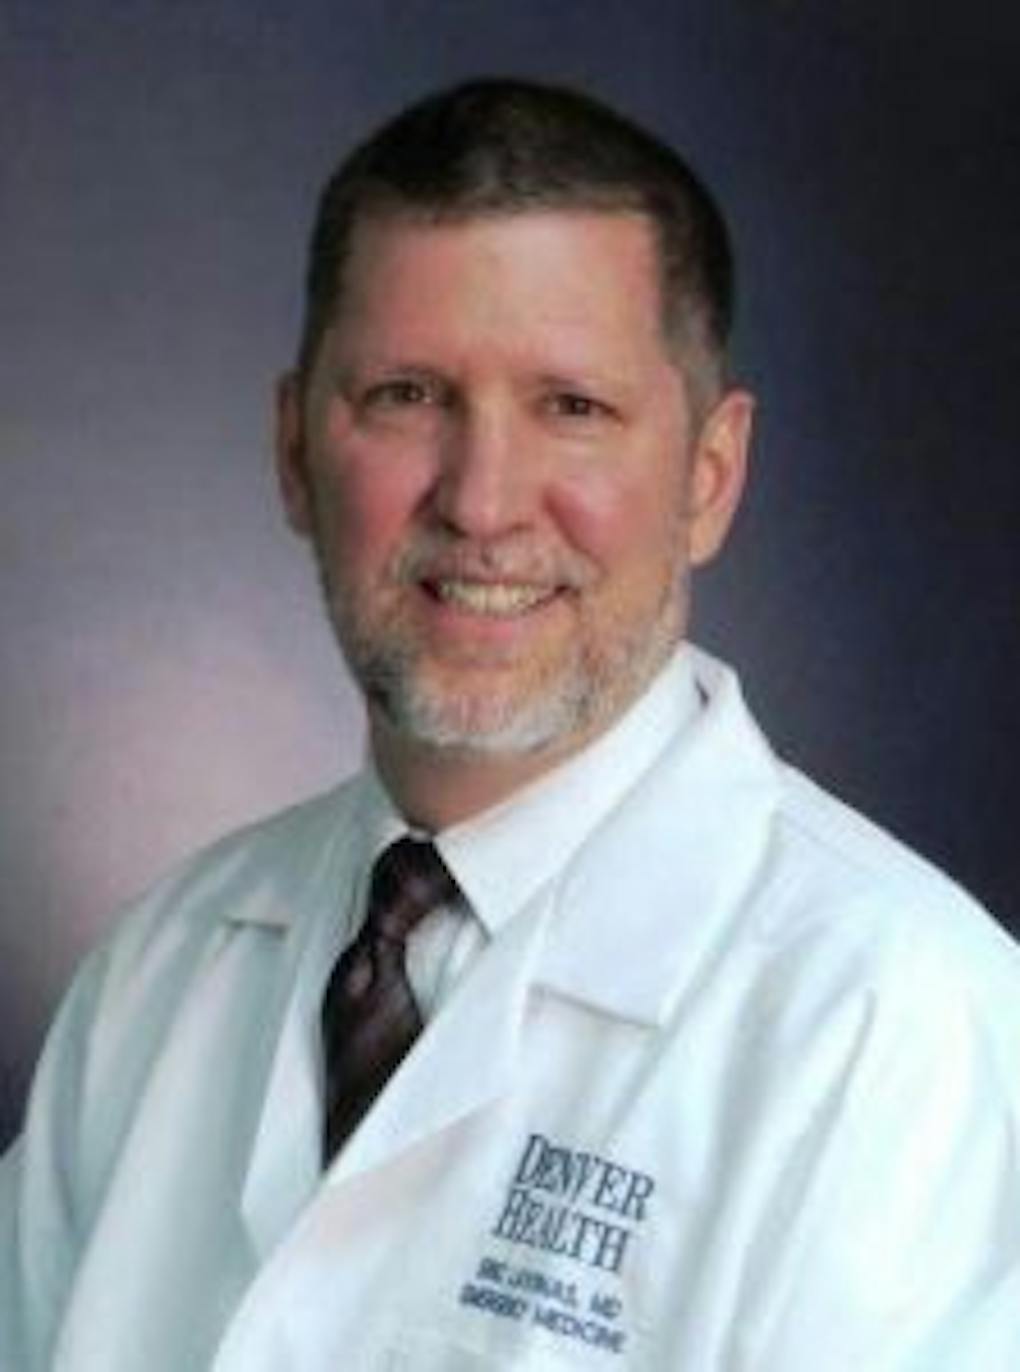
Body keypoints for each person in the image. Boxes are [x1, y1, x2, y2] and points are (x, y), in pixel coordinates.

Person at [2, 77, 1018, 1372]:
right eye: (407, 395)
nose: (482, 503)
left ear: (709, 478)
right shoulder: (162, 966)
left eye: (572, 407)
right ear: (294, 452)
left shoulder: (903, 1032)